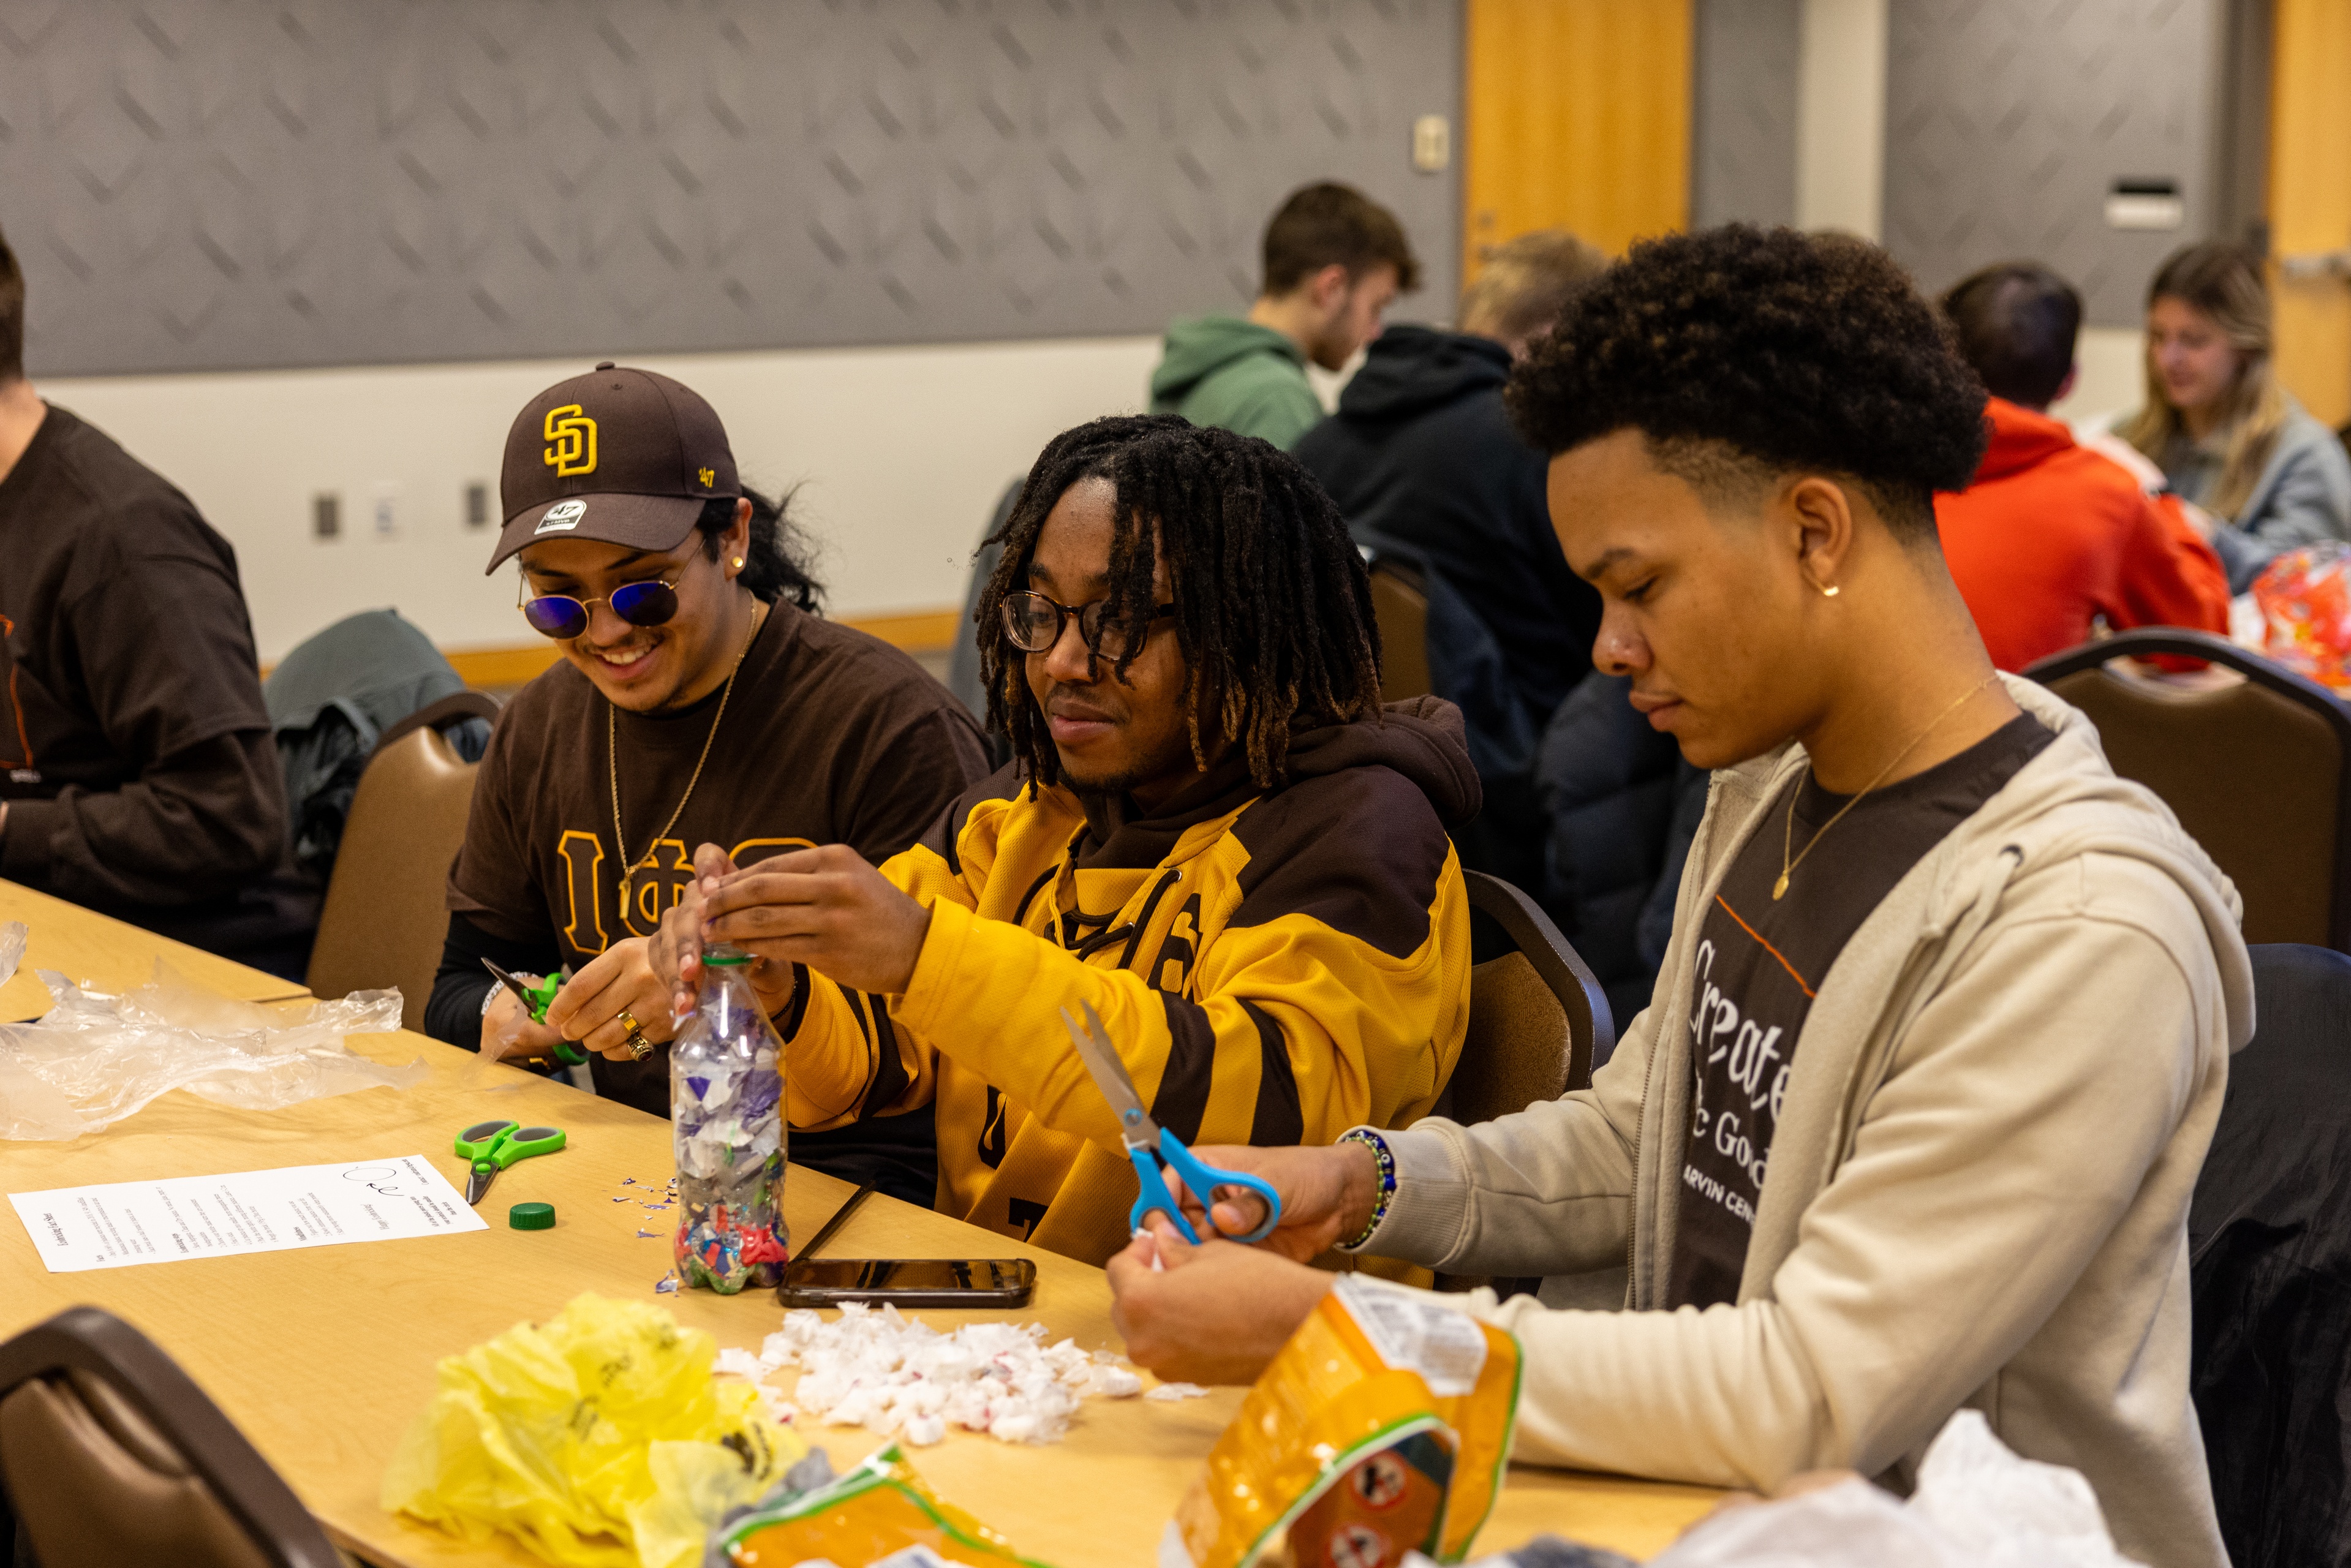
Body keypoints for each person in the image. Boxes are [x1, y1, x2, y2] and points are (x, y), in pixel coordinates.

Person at [1103, 227, 2252, 1568]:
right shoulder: (1769, 777)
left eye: (1636, 585)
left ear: (1813, 529)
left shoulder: (2079, 929)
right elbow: (1639, 1140)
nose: (1605, 645)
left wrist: (1348, 1334)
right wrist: (1357, 1185)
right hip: (1690, 1518)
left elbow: (1809, 1388)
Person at [647, 415, 1479, 1265]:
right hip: (1014, 1321)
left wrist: (923, 956)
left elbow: (1275, 1112)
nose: (1061, 662)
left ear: (1242, 628)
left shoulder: (1357, 829)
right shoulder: (1025, 807)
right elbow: (868, 1070)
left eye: (1118, 621)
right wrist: (784, 990)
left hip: (1251, 1346)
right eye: (1041, 613)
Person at [425, 363, 990, 1202]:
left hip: (849, 1192)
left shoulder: (887, 729)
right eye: (558, 605)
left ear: (732, 540)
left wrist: (719, 987)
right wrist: (516, 1017)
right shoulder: (541, 726)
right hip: (641, 1181)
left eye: (643, 590)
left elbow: (960, 1054)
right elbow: (455, 988)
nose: (607, 632)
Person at [0, 220, 310, 974]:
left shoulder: (122, 541)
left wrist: (10, 826)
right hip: (47, 947)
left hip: (188, 981)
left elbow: (226, 819)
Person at [1295, 229, 1608, 895]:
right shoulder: (1540, 452)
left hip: (1347, 795)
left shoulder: (1314, 448)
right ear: (1553, 341)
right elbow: (1612, 640)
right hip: (1513, 799)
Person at [1934, 262, 2230, 669]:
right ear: (2069, 381)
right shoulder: (2105, 493)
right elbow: (2194, 645)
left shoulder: (1875, 472)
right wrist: (2159, 501)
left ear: (1943, 367)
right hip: (2024, 731)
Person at [2115, 241, 2351, 594]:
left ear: (2246, 348)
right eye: (2158, 337)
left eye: (2193, 341)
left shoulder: (2307, 458)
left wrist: (2202, 533)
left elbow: (2307, 588)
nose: (2167, 359)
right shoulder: (2129, 440)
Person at [1148, 183, 1420, 450]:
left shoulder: (1201, 365)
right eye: (1376, 307)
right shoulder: (1278, 400)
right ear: (1331, 289)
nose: (1375, 332)